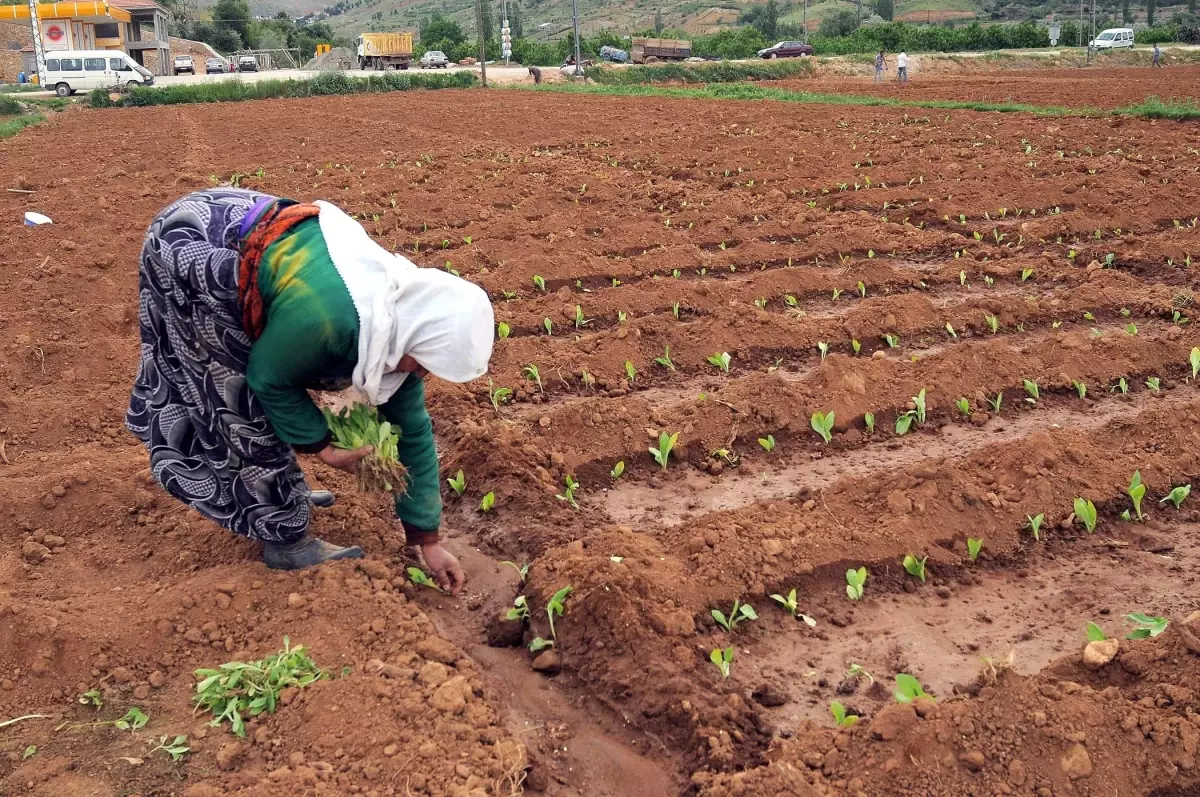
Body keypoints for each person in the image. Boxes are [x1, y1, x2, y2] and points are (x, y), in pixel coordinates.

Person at [126, 189, 494, 590]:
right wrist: (323, 448)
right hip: (196, 249)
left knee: (274, 393)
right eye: (424, 364)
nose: (421, 374)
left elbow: (414, 433)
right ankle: (285, 538)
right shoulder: (332, 322)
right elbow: (269, 378)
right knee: (241, 402)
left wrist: (427, 539)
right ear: (419, 340)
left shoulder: (401, 325)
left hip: (262, 246)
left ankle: (287, 494)